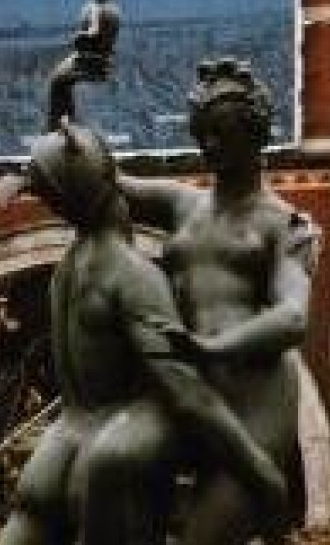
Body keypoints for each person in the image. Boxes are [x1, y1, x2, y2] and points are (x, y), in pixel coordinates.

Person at [0, 114, 289, 545]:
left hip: (56, 450)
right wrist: (260, 472)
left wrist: (61, 89)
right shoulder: (130, 274)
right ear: (109, 178)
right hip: (110, 452)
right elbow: (186, 392)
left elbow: (63, 165)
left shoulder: (68, 270)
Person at [91, 56, 317, 545]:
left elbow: (294, 316)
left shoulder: (283, 225)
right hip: (187, 399)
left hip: (254, 410)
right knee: (106, 462)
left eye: (221, 132)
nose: (208, 144)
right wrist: (61, 91)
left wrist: (213, 348)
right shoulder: (183, 206)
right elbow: (94, 179)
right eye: (202, 132)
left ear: (254, 135)